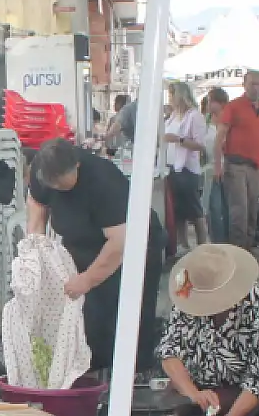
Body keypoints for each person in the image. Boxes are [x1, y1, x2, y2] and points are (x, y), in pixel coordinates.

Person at [28, 136, 167, 373]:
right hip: (82, 244)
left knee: (127, 318)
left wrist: (87, 279)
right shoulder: (42, 169)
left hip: (132, 247)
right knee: (89, 320)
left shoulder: (104, 181)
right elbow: (36, 203)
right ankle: (92, 373)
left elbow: (119, 243)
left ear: (77, 165)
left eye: (62, 184)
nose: (57, 189)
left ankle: (135, 375)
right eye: (53, 185)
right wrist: (37, 246)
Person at [155, 244, 259, 416]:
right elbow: (169, 351)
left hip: (238, 390)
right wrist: (193, 393)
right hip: (193, 384)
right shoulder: (187, 294)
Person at [216, 70, 259, 252]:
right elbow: (220, 136)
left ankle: (247, 251)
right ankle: (237, 253)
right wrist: (218, 165)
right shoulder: (233, 106)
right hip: (236, 165)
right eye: (253, 84)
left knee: (253, 211)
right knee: (239, 213)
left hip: (255, 166)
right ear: (244, 84)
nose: (257, 88)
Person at [160, 80, 210, 251]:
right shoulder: (173, 116)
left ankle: (202, 244)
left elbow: (200, 145)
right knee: (178, 210)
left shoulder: (194, 116)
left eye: (172, 95)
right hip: (172, 167)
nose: (170, 98)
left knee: (194, 208)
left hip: (187, 168)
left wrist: (179, 140)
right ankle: (183, 244)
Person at [202, 87, 232, 243]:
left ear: (219, 103)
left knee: (222, 208)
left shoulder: (227, 122)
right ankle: (215, 240)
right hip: (209, 168)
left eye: (210, 101)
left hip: (224, 168)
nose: (207, 104)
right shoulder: (206, 121)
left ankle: (223, 240)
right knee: (212, 208)